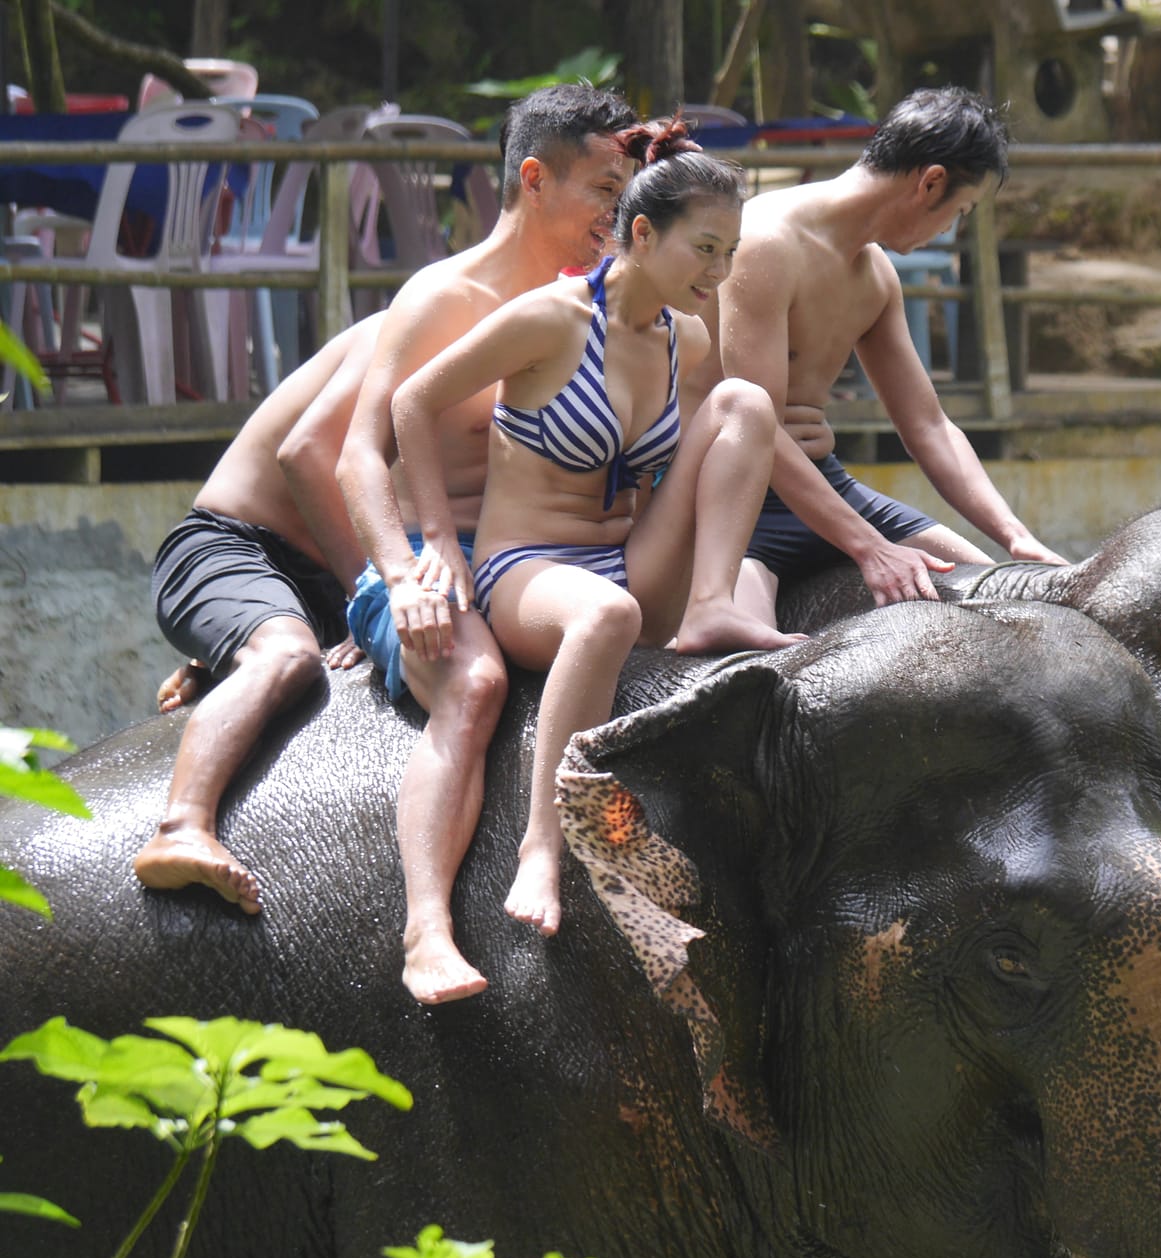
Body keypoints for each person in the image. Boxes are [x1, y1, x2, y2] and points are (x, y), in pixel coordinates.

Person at [392, 122, 802, 939]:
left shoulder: (687, 337)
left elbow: (731, 449)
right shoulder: (550, 318)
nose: (720, 275)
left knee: (747, 405)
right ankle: (545, 842)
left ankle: (714, 600)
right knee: (605, 617)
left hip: (627, 560)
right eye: (706, 251)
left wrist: (870, 537)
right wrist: (436, 543)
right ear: (642, 234)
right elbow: (412, 402)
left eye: (732, 255)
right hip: (530, 573)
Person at [336, 82, 642, 1005]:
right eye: (602, 190)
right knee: (472, 686)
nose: (616, 213)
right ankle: (426, 930)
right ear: (536, 180)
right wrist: (407, 569)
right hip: (447, 564)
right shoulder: (445, 296)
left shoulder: (600, 300)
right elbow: (359, 451)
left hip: (557, 561)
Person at [701, 85, 1065, 625]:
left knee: (1007, 602)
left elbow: (929, 425)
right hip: (742, 495)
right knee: (751, 670)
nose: (952, 228)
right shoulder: (766, 242)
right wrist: (869, 545)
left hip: (827, 482)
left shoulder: (875, 277)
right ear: (931, 182)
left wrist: (1015, 535)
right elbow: (756, 427)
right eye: (959, 210)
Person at [133, 313, 385, 914]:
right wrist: (368, 599)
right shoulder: (426, 315)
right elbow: (304, 454)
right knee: (287, 656)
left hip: (326, 585)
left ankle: (230, 660)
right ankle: (181, 827)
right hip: (233, 546)